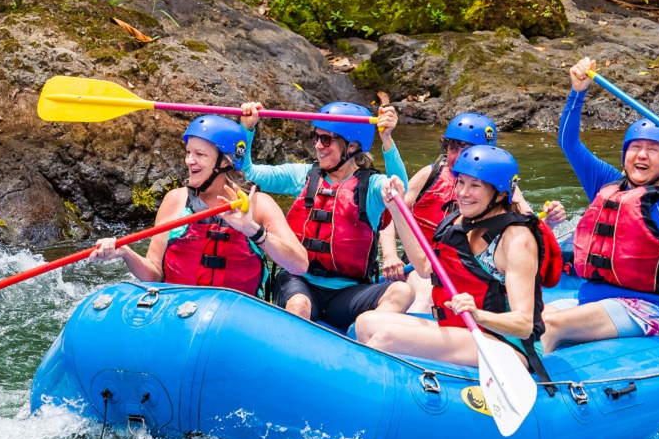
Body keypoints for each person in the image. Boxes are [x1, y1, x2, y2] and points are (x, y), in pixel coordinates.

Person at [542, 56, 659, 350]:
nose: (642, 155)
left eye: (653, 150)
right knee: (529, 320)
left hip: (644, 308)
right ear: (624, 156)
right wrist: (577, 91)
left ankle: (535, 390)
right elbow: (569, 143)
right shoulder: (605, 183)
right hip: (594, 298)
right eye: (635, 148)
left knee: (550, 326)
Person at [355, 146, 545, 369]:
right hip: (464, 330)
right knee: (366, 323)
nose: (463, 193)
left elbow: (523, 324)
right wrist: (395, 210)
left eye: (475, 185)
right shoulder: (459, 222)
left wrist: (478, 315)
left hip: (509, 344)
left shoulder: (516, 240)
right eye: (461, 182)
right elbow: (425, 267)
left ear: (501, 193)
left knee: (387, 336)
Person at [239, 99, 416, 331]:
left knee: (403, 291)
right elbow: (247, 173)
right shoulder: (301, 175)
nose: (318, 146)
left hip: (348, 293)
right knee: (300, 304)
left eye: (326, 139)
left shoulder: (372, 186)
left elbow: (399, 193)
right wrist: (247, 128)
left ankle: (361, 338)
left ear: (352, 146)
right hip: (299, 282)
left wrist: (387, 139)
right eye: (316, 137)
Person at [89, 115, 308, 291]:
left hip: (234, 318)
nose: (189, 160)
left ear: (225, 161)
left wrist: (252, 230)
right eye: (188, 153)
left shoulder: (259, 204)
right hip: (177, 309)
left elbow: (299, 265)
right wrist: (125, 252)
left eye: (200, 154)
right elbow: (154, 274)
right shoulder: (175, 200)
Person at [402, 112, 567, 311]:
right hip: (424, 259)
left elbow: (528, 222)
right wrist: (390, 256)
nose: (458, 156)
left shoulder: (499, 185)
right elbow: (396, 212)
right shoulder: (431, 173)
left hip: (465, 260)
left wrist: (550, 220)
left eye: (467, 150)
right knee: (426, 295)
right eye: (453, 148)